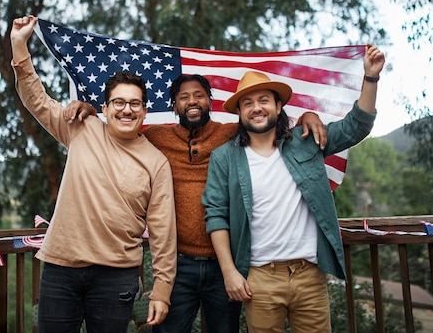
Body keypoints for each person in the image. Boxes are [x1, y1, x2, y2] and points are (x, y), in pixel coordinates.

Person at [67, 74, 327, 333]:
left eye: (199, 95)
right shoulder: (155, 137)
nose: (192, 101)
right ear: (175, 105)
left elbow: (266, 124)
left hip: (225, 265)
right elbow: (122, 125)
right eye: (184, 97)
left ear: (209, 101)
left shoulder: (231, 135)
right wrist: (91, 111)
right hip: (179, 265)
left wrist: (306, 117)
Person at [10, 15, 177, 333]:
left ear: (144, 110)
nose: (126, 109)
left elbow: (163, 234)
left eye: (134, 104)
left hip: (117, 277)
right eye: (119, 102)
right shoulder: (80, 127)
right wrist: (20, 46)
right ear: (105, 105)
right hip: (61, 269)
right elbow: (37, 99)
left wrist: (162, 290)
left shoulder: (156, 162)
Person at [202, 45, 385, 333]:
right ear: (239, 112)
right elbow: (216, 215)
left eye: (264, 100)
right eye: (247, 103)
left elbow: (355, 128)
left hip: (309, 275)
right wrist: (229, 272)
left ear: (278, 107)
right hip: (259, 279)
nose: (256, 107)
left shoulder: (306, 140)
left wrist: (371, 78)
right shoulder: (224, 157)